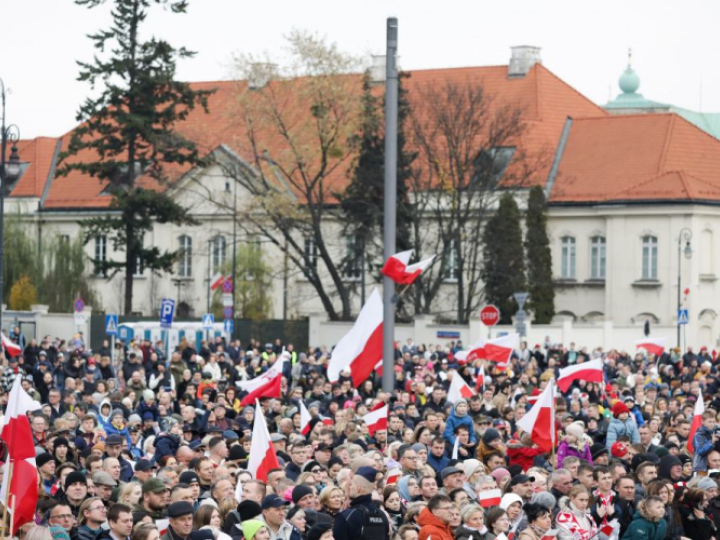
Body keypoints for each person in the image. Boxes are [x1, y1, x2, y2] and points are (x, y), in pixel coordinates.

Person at [333, 467, 389, 540]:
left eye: (351, 485)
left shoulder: (347, 516)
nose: (349, 487)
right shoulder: (381, 515)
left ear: (358, 489)